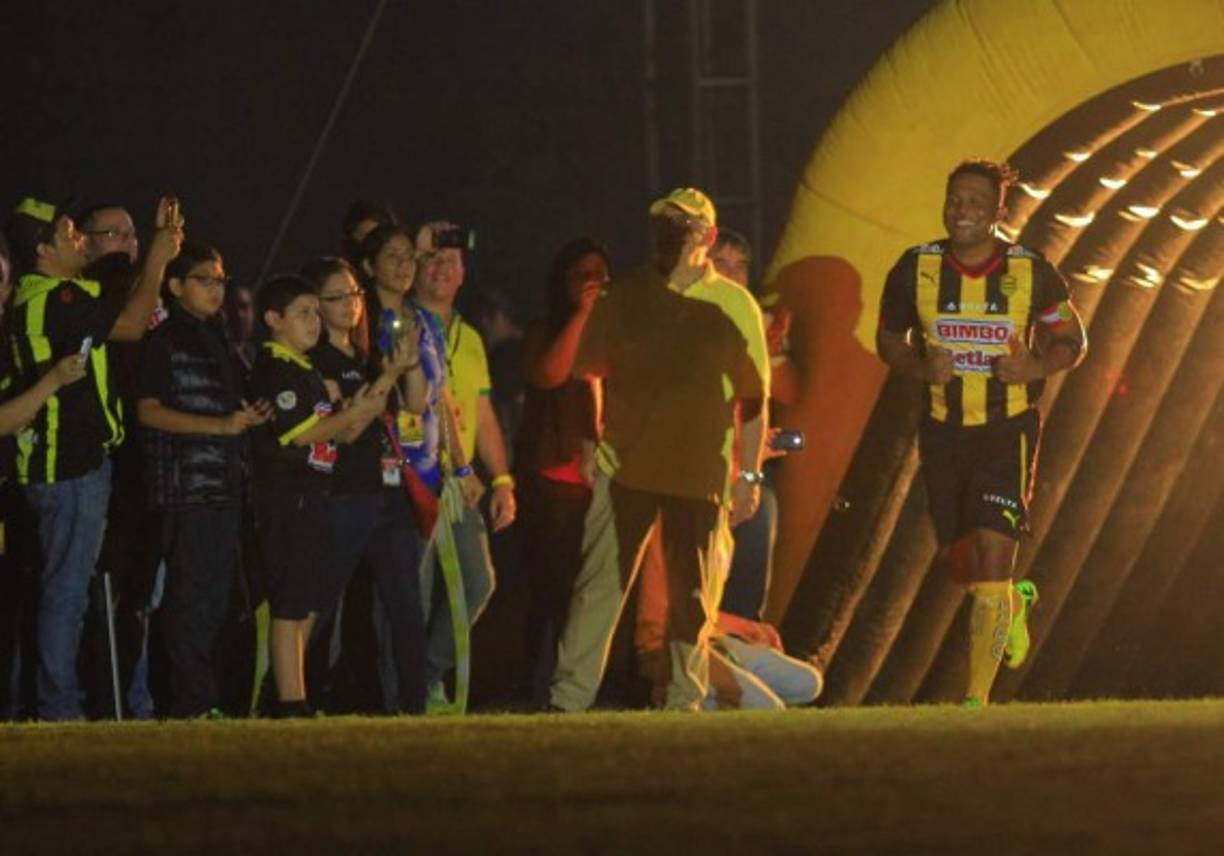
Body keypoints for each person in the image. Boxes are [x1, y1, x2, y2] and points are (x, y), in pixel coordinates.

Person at [548, 187, 770, 712]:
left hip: (701, 475)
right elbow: (588, 374)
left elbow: (755, 400)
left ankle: (685, 704)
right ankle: (567, 700)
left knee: (691, 597)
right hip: (625, 468)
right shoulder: (624, 298)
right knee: (600, 588)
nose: (674, 233)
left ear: (708, 236)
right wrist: (591, 443)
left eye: (686, 225)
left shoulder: (736, 304)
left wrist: (750, 475)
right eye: (666, 223)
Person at [876, 159, 1087, 707]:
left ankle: (976, 702)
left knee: (994, 556)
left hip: (1006, 432)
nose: (962, 210)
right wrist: (924, 369)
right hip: (944, 431)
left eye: (975, 201)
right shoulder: (915, 267)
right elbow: (888, 339)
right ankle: (1012, 602)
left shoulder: (1029, 269)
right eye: (955, 199)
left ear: (998, 211)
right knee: (961, 562)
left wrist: (1035, 368)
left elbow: (1072, 338)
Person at [3, 195, 181, 721]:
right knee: (65, 593)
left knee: (64, 590)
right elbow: (131, 323)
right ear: (42, 250)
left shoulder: (55, 294)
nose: (79, 239)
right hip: (69, 468)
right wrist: (159, 258)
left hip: (67, 467)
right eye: (68, 234)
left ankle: (50, 700)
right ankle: (59, 707)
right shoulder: (55, 298)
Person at [134, 240, 270, 718]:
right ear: (175, 287)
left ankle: (205, 698)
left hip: (224, 485)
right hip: (185, 487)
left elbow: (229, 407)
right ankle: (189, 702)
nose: (217, 290)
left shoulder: (220, 339)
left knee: (215, 600)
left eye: (221, 281)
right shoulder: (163, 340)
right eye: (205, 280)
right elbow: (148, 412)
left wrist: (249, 416)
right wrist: (221, 426)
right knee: (189, 598)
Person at [247, 274, 391, 717]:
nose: (314, 322)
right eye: (303, 313)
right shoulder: (276, 368)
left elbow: (344, 431)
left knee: (304, 600)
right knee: (289, 604)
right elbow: (303, 433)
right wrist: (361, 408)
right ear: (274, 320)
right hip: (288, 497)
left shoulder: (303, 368)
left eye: (315, 312)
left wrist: (382, 384)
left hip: (312, 493)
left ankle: (294, 695)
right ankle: (289, 701)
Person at [304, 255, 429, 714]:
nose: (349, 305)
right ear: (314, 304)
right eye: (336, 296)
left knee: (404, 603)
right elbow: (347, 429)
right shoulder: (315, 362)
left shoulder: (368, 356)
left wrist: (408, 363)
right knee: (321, 605)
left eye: (354, 294)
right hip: (342, 494)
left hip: (387, 493)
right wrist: (389, 376)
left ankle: (413, 706)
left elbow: (414, 404)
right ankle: (299, 697)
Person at [413, 223, 516, 709]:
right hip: (420, 474)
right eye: (431, 259)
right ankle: (404, 689)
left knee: (477, 581)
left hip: (464, 483)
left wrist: (501, 478)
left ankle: (426, 674)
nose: (440, 269)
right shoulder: (403, 321)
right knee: (418, 586)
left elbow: (482, 412)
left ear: (463, 273)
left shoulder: (471, 337)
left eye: (449, 262)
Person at [515, 238, 609, 707]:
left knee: (591, 591)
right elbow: (548, 374)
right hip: (552, 483)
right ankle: (537, 687)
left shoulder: (618, 334)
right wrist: (582, 317)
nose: (593, 282)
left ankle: (584, 685)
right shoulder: (546, 330)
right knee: (549, 591)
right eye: (582, 274)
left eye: (601, 274)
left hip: (602, 485)